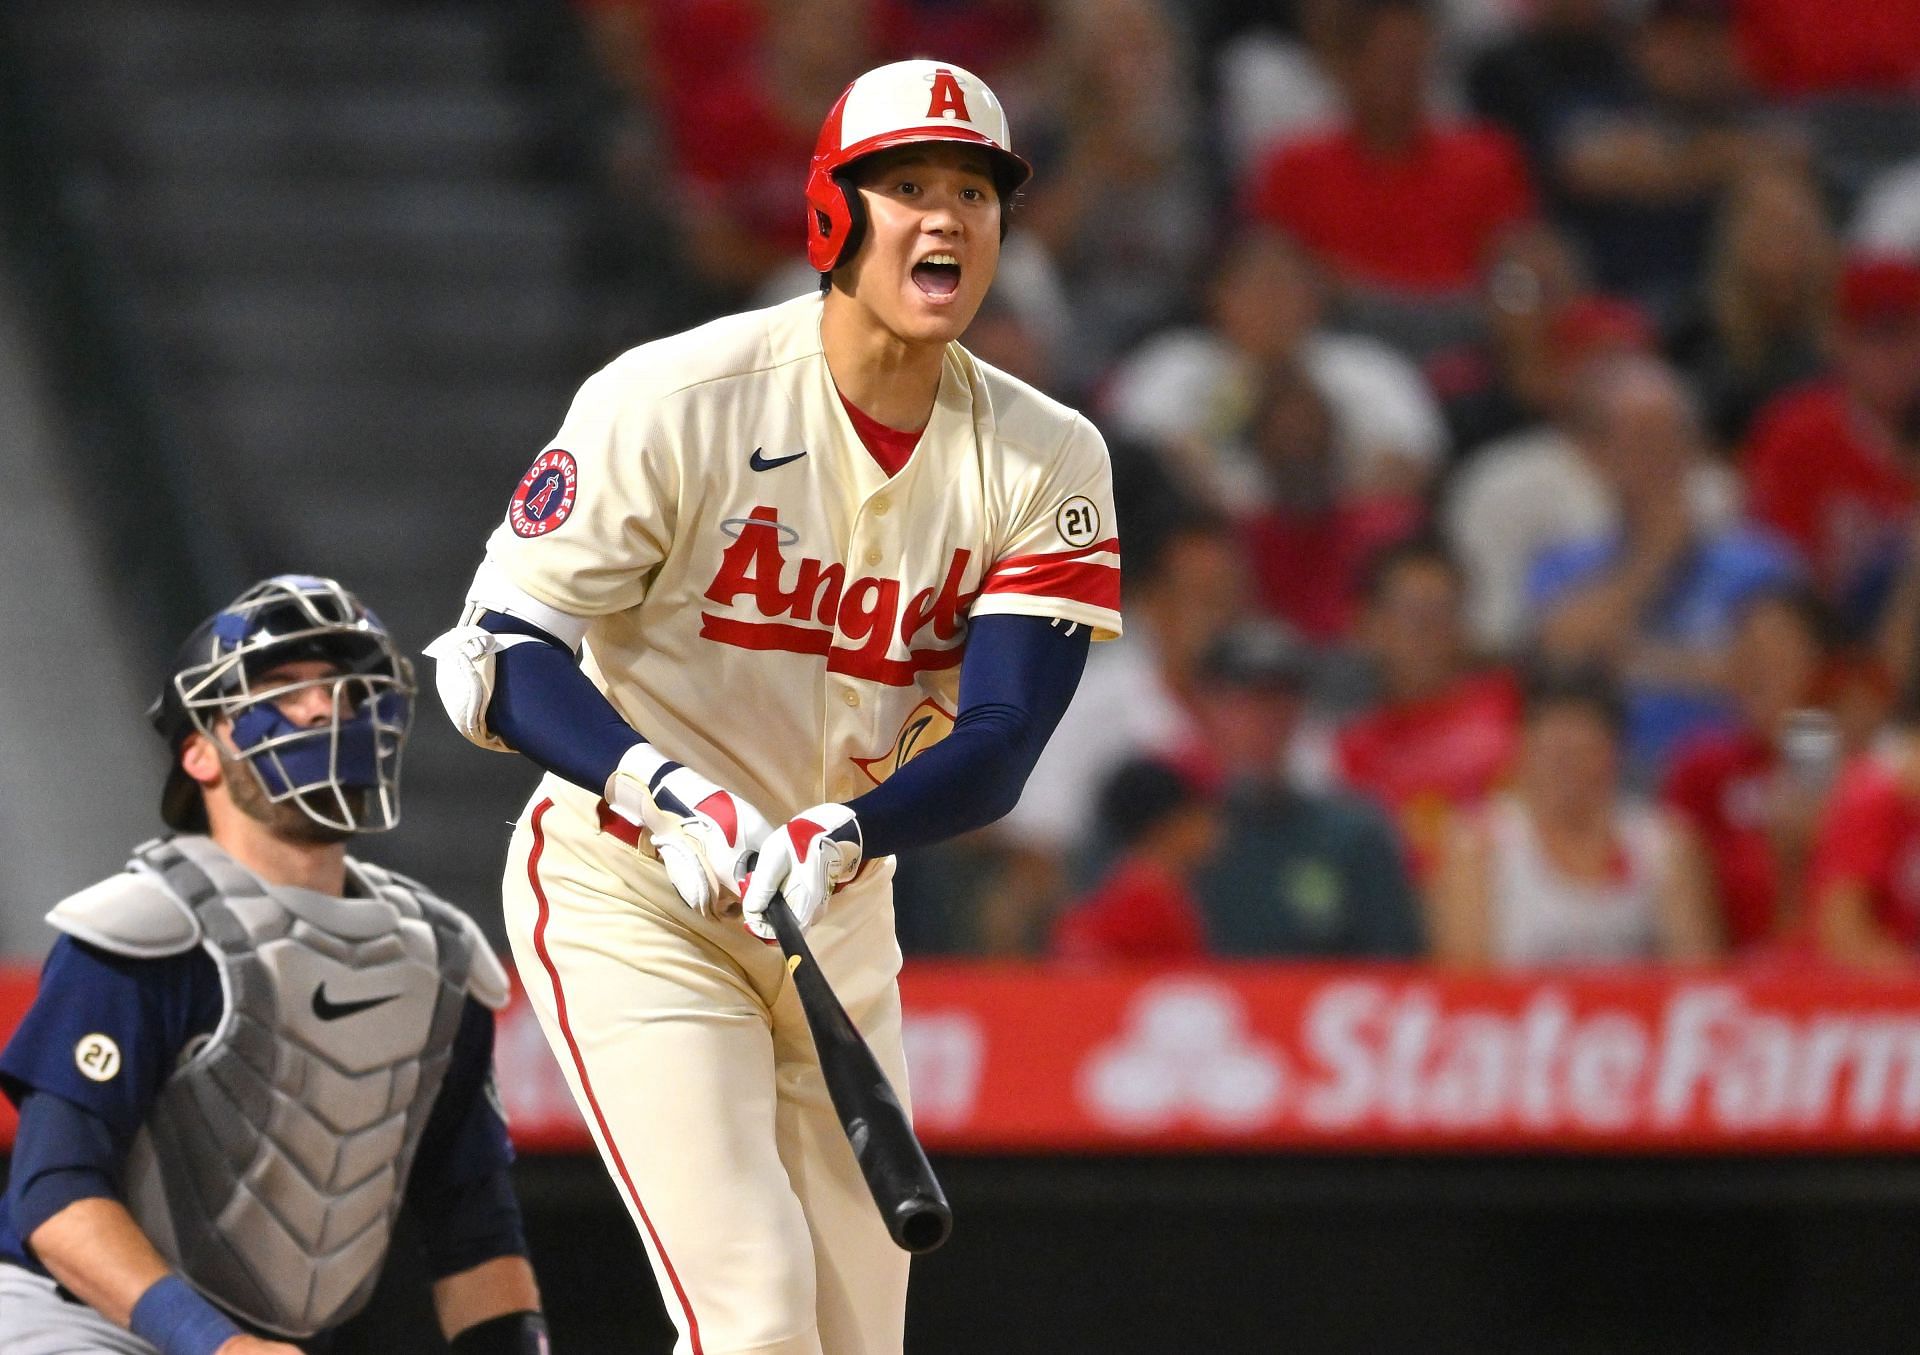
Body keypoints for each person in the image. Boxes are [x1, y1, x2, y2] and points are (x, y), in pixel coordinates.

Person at [426, 60, 1120, 1355]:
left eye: (974, 190)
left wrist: (846, 833)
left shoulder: (1047, 455)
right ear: (833, 216)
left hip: (830, 902)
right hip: (633, 885)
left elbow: (1001, 740)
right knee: (751, 1313)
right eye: (907, 185)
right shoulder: (679, 396)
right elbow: (495, 653)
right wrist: (661, 782)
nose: (948, 217)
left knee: (855, 1342)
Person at [0, 576, 545, 1355]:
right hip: (81, 1324)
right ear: (200, 751)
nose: (327, 709)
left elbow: (472, 1219)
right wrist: (217, 1346)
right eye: (285, 690)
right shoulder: (144, 932)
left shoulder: (436, 956)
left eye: (343, 690)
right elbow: (53, 1196)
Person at [1528, 352, 1803, 778]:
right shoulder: (1565, 567)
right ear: (1597, 455)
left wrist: (1627, 661)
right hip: (1604, 781)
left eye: (1670, 438)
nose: (1658, 457)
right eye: (1637, 440)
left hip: (1731, 777)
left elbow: (1783, 687)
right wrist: (1655, 556)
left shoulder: (1762, 566)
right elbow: (1561, 666)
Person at [1431, 663, 1719, 966]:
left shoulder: (1663, 844)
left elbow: (1696, 979)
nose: (1568, 772)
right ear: (1523, 749)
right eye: (1556, 753)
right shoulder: (1479, 842)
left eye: (1583, 752)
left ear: (1614, 753)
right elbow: (1464, 986)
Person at [1185, 622, 1426, 959]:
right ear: (1204, 708)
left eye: (1277, 701)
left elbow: (1396, 968)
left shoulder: (1353, 837)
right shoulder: (1159, 830)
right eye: (1241, 702)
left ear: (1298, 711)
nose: (1260, 720)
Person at [1660, 586, 1840, 953]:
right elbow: (1680, 875)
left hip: (1839, 976)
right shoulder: (1705, 763)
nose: (1759, 671)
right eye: (1748, 654)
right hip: (1734, 970)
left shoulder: (1851, 759)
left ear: (1817, 665)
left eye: (1777, 655)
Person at [1333, 536, 1521, 880]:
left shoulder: (1518, 705)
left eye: (1444, 612)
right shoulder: (1348, 754)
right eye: (1414, 615)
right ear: (1367, 626)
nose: (1430, 631)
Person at [1050, 759, 1223, 962]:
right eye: (1202, 816)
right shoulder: (1143, 897)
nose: (1215, 830)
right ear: (1168, 824)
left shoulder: (1152, 887)